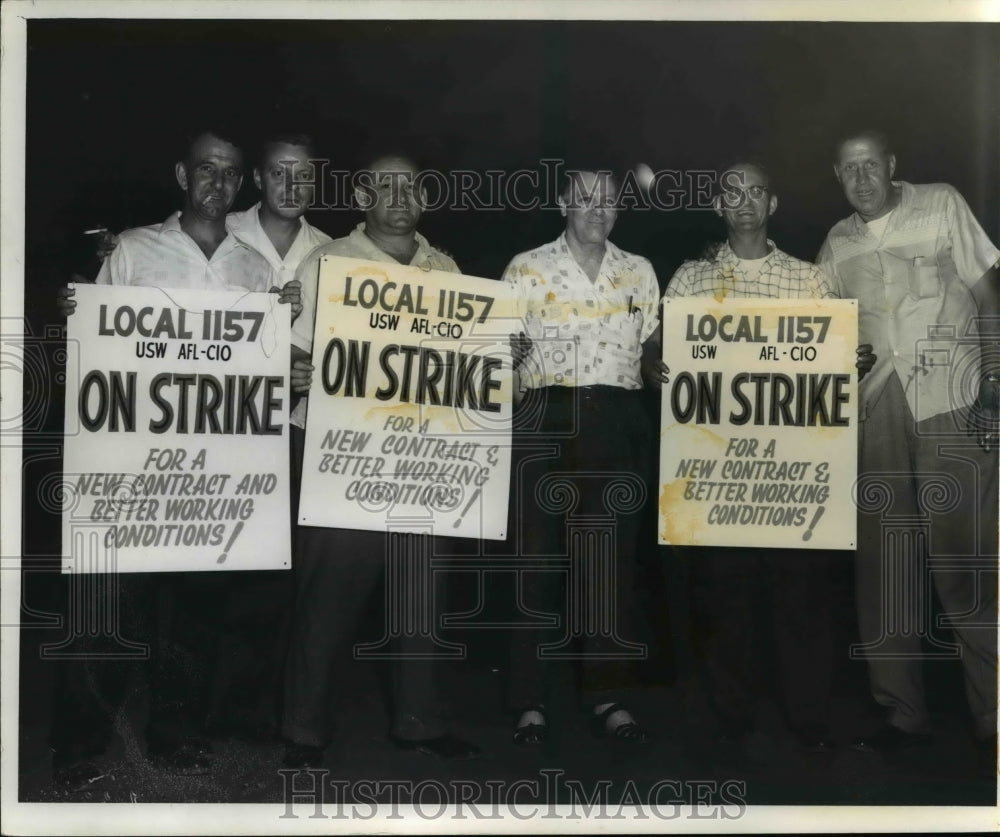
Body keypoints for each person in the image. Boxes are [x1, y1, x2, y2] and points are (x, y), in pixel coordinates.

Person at [52, 128, 298, 786]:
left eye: (230, 172)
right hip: (137, 464)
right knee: (111, 609)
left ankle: (176, 733)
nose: (218, 182)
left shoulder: (253, 266)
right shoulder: (134, 248)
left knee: (194, 611)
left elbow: (258, 363)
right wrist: (75, 310)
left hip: (216, 472)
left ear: (240, 185)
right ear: (182, 177)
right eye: (206, 169)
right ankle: (78, 742)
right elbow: (93, 345)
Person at [658, 162, 875, 753]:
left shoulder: (809, 281)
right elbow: (663, 352)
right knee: (724, 596)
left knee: (800, 595)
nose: (745, 202)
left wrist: (850, 364)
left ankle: (809, 719)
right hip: (718, 471)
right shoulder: (690, 278)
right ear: (719, 208)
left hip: (792, 474)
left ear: (772, 205)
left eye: (756, 191)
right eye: (733, 193)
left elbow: (840, 357)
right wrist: (661, 365)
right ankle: (731, 717)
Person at [280, 153, 479, 768]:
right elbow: (288, 352)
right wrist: (294, 372)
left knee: (422, 597)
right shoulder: (327, 262)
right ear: (363, 195)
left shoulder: (445, 267)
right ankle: (304, 732)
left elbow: (465, 363)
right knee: (330, 596)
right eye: (385, 186)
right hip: (343, 456)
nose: (399, 197)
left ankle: (420, 723)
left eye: (411, 186)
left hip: (422, 460)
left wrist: (501, 358)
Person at [817, 130, 999, 759]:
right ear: (837, 177)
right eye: (848, 169)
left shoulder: (943, 203)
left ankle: (995, 718)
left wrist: (996, 383)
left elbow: (987, 293)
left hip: (954, 398)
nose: (861, 179)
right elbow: (817, 335)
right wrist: (844, 353)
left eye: (870, 165)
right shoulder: (836, 243)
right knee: (884, 566)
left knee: (968, 565)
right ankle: (902, 715)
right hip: (876, 411)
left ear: (893, 165)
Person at [502, 168, 661, 747]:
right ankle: (528, 700)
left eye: (610, 203)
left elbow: (651, 348)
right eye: (586, 199)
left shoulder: (638, 270)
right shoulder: (526, 267)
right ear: (563, 202)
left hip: (618, 421)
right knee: (536, 563)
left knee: (609, 565)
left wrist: (662, 368)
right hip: (544, 419)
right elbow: (501, 354)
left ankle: (608, 694)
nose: (598, 211)